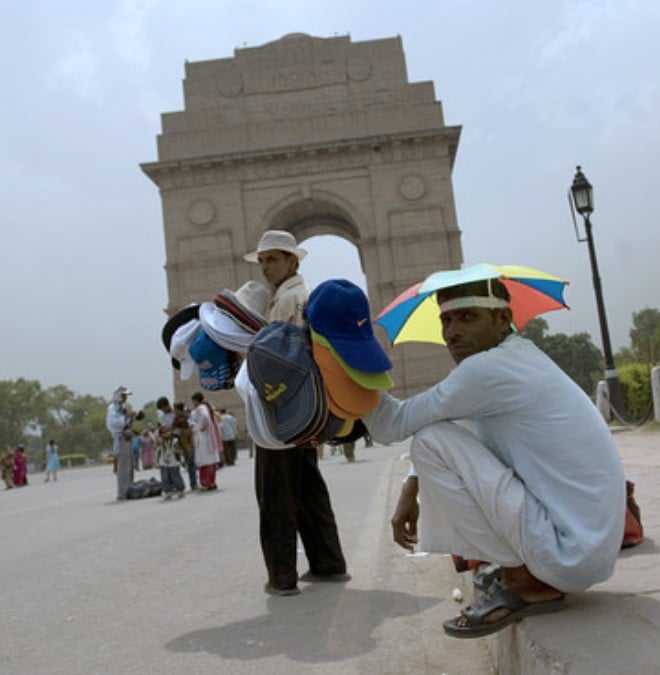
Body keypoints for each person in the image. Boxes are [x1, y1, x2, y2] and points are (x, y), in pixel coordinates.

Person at [364, 278, 626, 639]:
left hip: (568, 553)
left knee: (428, 442)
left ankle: (522, 579)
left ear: (503, 319)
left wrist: (347, 359)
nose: (451, 332)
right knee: (438, 438)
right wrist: (411, 486)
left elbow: (391, 425)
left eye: (467, 317)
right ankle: (522, 567)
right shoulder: (516, 358)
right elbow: (458, 423)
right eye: (447, 321)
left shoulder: (485, 372)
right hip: (587, 548)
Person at [243, 229, 348, 596]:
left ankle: (282, 577)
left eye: (273, 259)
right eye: (262, 260)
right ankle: (328, 563)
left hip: (280, 412)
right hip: (303, 410)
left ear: (293, 260)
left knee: (274, 495)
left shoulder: (288, 301)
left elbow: (275, 359)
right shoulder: (293, 296)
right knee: (306, 491)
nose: (266, 267)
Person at [189, 392, 222, 491]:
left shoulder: (200, 409)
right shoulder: (207, 407)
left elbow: (204, 418)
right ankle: (212, 482)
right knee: (211, 462)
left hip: (202, 437)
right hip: (208, 437)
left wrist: (199, 427)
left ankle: (206, 483)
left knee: (205, 462)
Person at [106, 385, 134, 500]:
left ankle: (129, 488)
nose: (125, 398)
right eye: (124, 395)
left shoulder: (122, 407)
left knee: (129, 466)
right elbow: (114, 423)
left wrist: (132, 418)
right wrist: (126, 417)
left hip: (127, 437)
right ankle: (122, 492)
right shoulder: (112, 408)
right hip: (120, 438)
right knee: (122, 467)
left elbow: (126, 422)